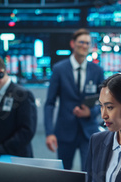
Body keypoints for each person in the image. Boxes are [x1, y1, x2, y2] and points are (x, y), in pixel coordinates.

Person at [44, 28, 105, 170]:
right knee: (64, 176)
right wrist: (49, 133)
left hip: (88, 131)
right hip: (65, 131)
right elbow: (49, 103)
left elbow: (104, 102)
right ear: (73, 44)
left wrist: (91, 112)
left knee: (88, 175)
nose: (84, 46)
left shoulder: (97, 71)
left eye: (87, 43)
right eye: (81, 42)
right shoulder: (59, 69)